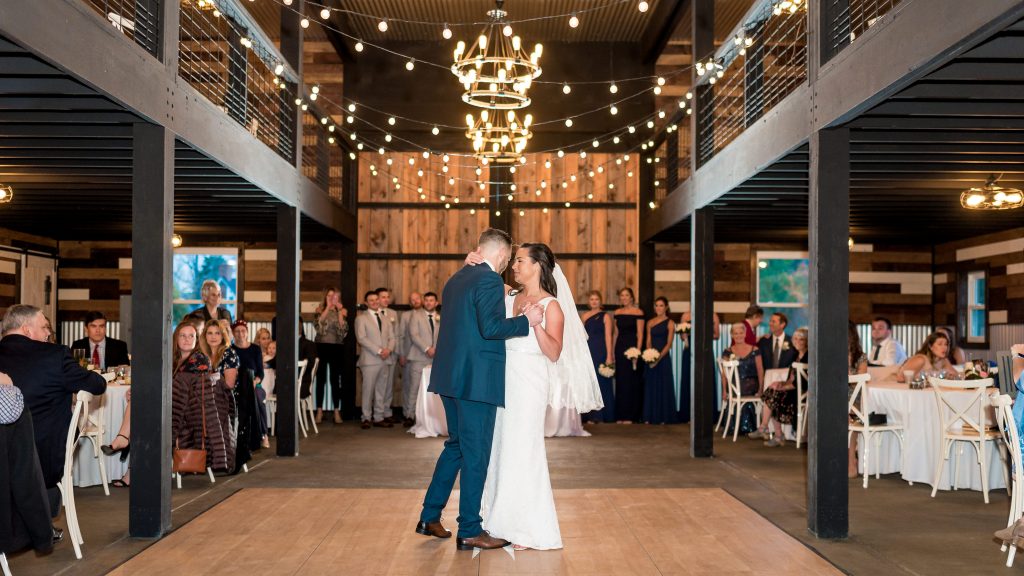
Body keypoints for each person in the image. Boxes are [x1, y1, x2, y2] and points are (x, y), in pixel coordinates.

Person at [417, 228, 541, 552]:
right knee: (475, 455)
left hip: (451, 379)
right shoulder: (488, 280)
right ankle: (470, 529)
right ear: (502, 255)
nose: (507, 265)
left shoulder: (456, 278)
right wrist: (528, 321)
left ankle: (429, 516)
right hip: (475, 382)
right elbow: (492, 328)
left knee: (456, 446)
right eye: (508, 259)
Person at [0, 304, 106, 518]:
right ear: (27, 330)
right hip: (39, 459)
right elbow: (97, 385)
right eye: (45, 327)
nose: (49, 333)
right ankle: (41, 522)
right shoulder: (54, 355)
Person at [755, 327, 807, 447]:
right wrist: (781, 384)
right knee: (772, 391)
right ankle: (770, 430)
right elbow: (791, 378)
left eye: (801, 339)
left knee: (773, 396)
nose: (797, 342)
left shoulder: (809, 356)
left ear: (807, 341)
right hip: (793, 389)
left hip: (803, 392)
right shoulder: (796, 355)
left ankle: (773, 432)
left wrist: (785, 387)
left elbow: (805, 382)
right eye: (795, 339)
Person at [199, 319, 239, 472]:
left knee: (210, 410)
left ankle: (219, 459)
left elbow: (228, 385)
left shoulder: (229, 353)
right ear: (204, 336)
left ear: (223, 336)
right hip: (203, 398)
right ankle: (195, 457)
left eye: (217, 333)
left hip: (224, 398)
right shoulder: (200, 354)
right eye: (209, 333)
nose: (213, 337)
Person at [355, 291, 397, 429]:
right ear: (366, 303)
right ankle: (366, 417)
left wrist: (389, 350)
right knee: (368, 390)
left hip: (385, 359)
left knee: (381, 390)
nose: (374, 302)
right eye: (371, 300)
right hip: (370, 360)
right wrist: (379, 350)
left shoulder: (385, 318)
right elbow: (361, 338)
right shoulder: (361, 318)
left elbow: (392, 337)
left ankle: (379, 417)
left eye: (376, 299)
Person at [403, 292, 439, 428]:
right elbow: (414, 334)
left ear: (436, 303)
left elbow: (445, 334)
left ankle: (432, 419)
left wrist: (436, 349)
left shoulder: (441, 316)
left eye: (432, 300)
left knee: (435, 390)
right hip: (418, 356)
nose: (429, 302)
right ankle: (410, 416)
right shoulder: (415, 316)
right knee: (414, 388)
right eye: (427, 300)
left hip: (437, 357)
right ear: (424, 302)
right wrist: (427, 348)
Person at [314, 287, 348, 425]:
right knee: (320, 380)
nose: (332, 298)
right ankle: (319, 411)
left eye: (334, 296)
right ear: (325, 297)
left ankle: (336, 411)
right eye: (329, 296)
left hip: (336, 348)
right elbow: (319, 327)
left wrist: (340, 311)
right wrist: (327, 308)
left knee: (335, 380)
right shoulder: (319, 310)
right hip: (321, 347)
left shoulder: (342, 311)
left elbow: (343, 331)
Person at [721, 323, 763, 435]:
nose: (738, 335)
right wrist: (724, 390)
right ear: (731, 335)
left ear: (745, 334)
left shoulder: (755, 349)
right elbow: (724, 374)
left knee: (745, 386)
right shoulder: (727, 351)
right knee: (736, 387)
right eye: (735, 333)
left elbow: (760, 370)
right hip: (734, 385)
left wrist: (761, 388)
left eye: (741, 333)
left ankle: (748, 425)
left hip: (752, 383)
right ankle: (740, 426)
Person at [231, 320, 267, 448]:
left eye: (243, 331)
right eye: (237, 331)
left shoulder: (255, 349)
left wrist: (255, 381)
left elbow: (261, 373)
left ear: (247, 332)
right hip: (238, 387)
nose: (240, 334)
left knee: (257, 397)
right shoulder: (231, 350)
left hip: (254, 385)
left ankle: (263, 434)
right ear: (233, 333)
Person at [642, 297, 678, 425]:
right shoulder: (650, 322)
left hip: (663, 358)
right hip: (651, 357)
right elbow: (648, 341)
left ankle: (664, 417)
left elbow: (669, 344)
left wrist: (658, 358)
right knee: (651, 386)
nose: (658, 308)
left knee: (663, 386)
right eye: (656, 305)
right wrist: (649, 355)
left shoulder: (670, 323)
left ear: (666, 307)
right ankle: (649, 416)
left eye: (661, 305)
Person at [613, 287, 645, 424]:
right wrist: (613, 352)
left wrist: (637, 352)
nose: (624, 298)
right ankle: (620, 415)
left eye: (627, 295)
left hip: (632, 349)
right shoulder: (617, 312)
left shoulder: (638, 312)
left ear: (632, 297)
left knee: (632, 382)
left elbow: (640, 334)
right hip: (620, 347)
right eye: (622, 295)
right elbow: (615, 333)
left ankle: (632, 416)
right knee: (621, 382)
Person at [582, 290, 614, 423]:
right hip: (588, 351)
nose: (594, 301)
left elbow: (608, 337)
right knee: (589, 383)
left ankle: (604, 416)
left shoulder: (606, 316)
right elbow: (582, 337)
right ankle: (591, 416)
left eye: (596, 299)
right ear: (589, 302)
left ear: (600, 301)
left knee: (602, 383)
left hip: (601, 352)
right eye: (591, 299)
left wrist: (609, 355)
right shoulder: (584, 316)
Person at [376, 287, 400, 424]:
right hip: (377, 356)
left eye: (387, 297)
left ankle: (387, 412)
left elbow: (396, 335)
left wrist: (391, 350)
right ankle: (378, 412)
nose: (386, 299)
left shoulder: (393, 313)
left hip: (391, 355)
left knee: (389, 386)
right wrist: (381, 350)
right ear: (377, 299)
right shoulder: (374, 314)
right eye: (383, 297)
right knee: (379, 387)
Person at [896, 332, 960, 382]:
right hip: (890, 378)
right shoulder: (920, 360)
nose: (944, 348)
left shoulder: (944, 360)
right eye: (940, 344)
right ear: (930, 346)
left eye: (946, 344)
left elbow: (957, 376)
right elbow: (900, 377)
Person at [399, 291, 424, 426]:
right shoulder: (406, 315)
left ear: (421, 299)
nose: (415, 301)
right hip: (410, 355)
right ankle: (408, 413)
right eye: (412, 300)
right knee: (409, 386)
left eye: (417, 299)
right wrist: (402, 354)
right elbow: (401, 335)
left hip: (424, 356)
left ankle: (421, 415)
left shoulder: (430, 315)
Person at [848, 322, 868, 478]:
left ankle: (850, 462)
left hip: (854, 395)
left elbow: (860, 381)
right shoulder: (830, 353)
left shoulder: (860, 356)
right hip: (835, 395)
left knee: (848, 412)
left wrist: (847, 367)